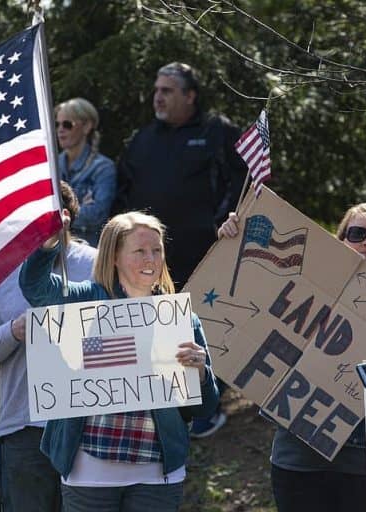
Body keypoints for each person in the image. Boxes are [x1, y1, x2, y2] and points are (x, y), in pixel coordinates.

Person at [218, 202, 366, 512]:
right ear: (340, 241)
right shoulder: (299, 288)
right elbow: (240, 293)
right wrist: (233, 239)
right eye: (357, 233)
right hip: (299, 461)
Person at [18, 211, 219, 512]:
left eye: (156, 250)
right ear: (114, 257)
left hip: (157, 479)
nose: (150, 259)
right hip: (89, 475)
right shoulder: (86, 300)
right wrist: (49, 244)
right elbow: (35, 286)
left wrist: (201, 374)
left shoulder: (179, 319)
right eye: (139, 251)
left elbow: (205, 408)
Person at [114, 62, 246, 437]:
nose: (158, 96)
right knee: (157, 333)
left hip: (206, 254)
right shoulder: (143, 139)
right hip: (151, 262)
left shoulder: (216, 132)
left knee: (203, 330)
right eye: (156, 89)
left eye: (168, 90)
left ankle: (207, 410)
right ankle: (164, 411)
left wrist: (222, 226)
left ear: (190, 95)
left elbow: (240, 184)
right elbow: (124, 193)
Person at [0, 181, 96, 512]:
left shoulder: (98, 264)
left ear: (68, 218)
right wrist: (16, 330)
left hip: (90, 425)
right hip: (23, 428)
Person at [55, 98, 116, 246]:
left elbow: (98, 215)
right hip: (55, 250)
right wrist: (80, 207)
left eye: (67, 124)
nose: (60, 130)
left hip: (87, 250)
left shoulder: (104, 168)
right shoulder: (51, 166)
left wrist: (58, 213)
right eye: (57, 124)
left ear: (87, 127)